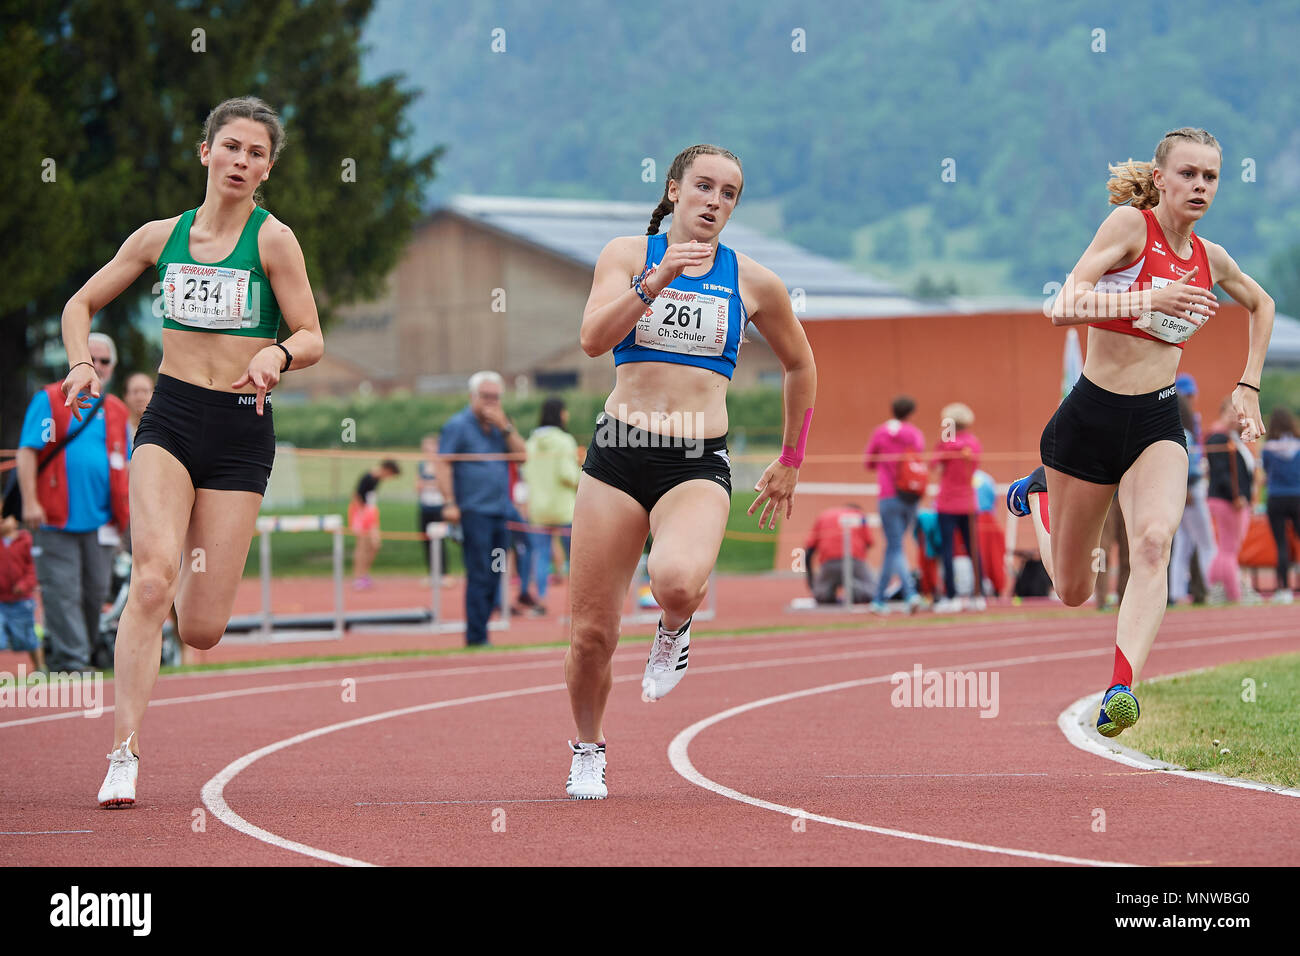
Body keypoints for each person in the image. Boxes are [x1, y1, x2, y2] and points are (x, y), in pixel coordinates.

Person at [62, 97, 323, 807]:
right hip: (172, 417)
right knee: (152, 580)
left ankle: (168, 611)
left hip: (242, 429)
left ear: (268, 169)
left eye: (256, 154)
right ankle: (123, 752)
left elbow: (312, 334)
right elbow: (80, 305)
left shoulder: (274, 242)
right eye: (231, 147)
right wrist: (82, 361)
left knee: (203, 627)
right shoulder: (158, 237)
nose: (241, 161)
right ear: (205, 152)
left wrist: (276, 354)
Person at [564, 144, 817, 799]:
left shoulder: (753, 281)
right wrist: (656, 280)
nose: (715, 201)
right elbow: (592, 338)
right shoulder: (628, 256)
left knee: (676, 582)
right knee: (592, 632)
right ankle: (588, 749)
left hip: (695, 462)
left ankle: (674, 629)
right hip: (617, 453)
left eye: (729, 193)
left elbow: (801, 365)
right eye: (704, 186)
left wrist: (791, 458)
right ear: (674, 190)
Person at [1006, 127, 1273, 738]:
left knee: (1154, 541)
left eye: (1210, 176)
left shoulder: (1212, 258)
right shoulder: (1130, 227)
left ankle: (1121, 687)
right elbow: (1062, 305)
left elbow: (1263, 305)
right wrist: (1149, 297)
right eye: (1188, 174)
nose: (1200, 185)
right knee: (1074, 589)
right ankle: (1039, 496)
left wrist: (1248, 383)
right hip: (1089, 420)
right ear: (1160, 179)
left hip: (1157, 422)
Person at [15, 332, 128, 674]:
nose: (97, 366)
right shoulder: (49, 399)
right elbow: (27, 452)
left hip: (102, 522)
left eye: (104, 361)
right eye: (89, 358)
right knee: (62, 592)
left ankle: (80, 655)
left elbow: (128, 462)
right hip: (54, 517)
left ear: (112, 367)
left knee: (94, 594)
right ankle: (72, 662)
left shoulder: (116, 410)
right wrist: (30, 502)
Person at [436, 371, 526, 647]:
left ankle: (482, 628)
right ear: (472, 397)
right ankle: (476, 636)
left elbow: (522, 456)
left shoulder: (501, 426)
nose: (491, 403)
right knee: (479, 573)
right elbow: (442, 464)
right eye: (486, 397)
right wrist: (450, 502)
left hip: (500, 510)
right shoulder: (458, 425)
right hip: (474, 511)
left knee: (497, 572)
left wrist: (506, 427)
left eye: (495, 398)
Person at [864, 396, 925, 614]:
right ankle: (882, 598)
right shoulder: (914, 434)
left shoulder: (880, 432)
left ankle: (906, 595)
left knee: (894, 546)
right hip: (909, 495)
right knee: (895, 546)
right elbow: (918, 458)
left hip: (888, 495)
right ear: (910, 412)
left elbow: (868, 462)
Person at [521, 396, 580, 615]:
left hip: (539, 508)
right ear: (560, 413)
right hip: (564, 507)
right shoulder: (564, 441)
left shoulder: (530, 442)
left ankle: (542, 600)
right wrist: (582, 477)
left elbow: (525, 472)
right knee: (575, 556)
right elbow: (567, 474)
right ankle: (579, 602)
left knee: (541, 555)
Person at [1204, 397, 1256, 604]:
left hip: (1231, 498)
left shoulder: (1231, 437)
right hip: (1227, 499)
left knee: (1226, 548)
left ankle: (1217, 588)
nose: (1235, 417)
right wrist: (1236, 495)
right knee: (1229, 548)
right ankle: (1233, 593)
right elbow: (1222, 471)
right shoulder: (1218, 438)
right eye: (1231, 412)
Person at [931, 403, 982, 613]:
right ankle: (978, 596)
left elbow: (933, 464)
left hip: (948, 503)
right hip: (969, 502)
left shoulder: (946, 442)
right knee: (973, 550)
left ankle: (951, 596)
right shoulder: (973, 443)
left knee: (947, 551)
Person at [1169, 388, 1215, 605]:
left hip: (1179, 492)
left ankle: (1176, 593)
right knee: (1206, 544)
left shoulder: (1171, 432)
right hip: (1191, 490)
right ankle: (1212, 588)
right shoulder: (1185, 434)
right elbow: (1186, 466)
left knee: (1182, 546)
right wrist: (1186, 488)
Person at [1260, 407, 1300, 602]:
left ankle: (1283, 590)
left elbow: (1266, 472)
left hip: (1276, 497)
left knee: (1281, 544)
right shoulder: (1299, 445)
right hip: (1297, 496)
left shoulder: (1268, 448)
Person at [803, 504, 875, 604]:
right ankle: (854, 587)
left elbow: (809, 551)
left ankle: (825, 592)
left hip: (829, 564)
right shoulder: (859, 515)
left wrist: (812, 583)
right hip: (854, 561)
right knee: (873, 591)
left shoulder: (824, 515)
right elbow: (868, 543)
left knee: (821, 596)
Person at [0, 513, 44, 670]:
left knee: (27, 636)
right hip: (1, 601)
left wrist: (25, 585)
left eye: (3, 518)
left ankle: (40, 666)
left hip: (21, 600)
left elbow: (32, 569)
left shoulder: (25, 541)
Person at [349, 459, 401, 590]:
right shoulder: (367, 477)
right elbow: (356, 496)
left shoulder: (377, 479)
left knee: (375, 544)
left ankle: (364, 573)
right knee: (362, 545)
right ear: (387, 470)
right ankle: (358, 577)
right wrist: (361, 514)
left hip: (371, 513)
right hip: (361, 513)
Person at [415, 434, 449, 583]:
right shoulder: (422, 465)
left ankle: (443, 573)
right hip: (425, 506)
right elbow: (418, 486)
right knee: (426, 539)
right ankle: (432, 572)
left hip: (439, 506)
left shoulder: (441, 464)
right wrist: (429, 483)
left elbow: (443, 484)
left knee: (440, 540)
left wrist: (430, 483)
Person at [1093, 494, 1130, 610]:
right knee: (1101, 554)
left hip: (1129, 500)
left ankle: (1126, 600)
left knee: (1130, 556)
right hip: (1106, 498)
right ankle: (1101, 600)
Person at [124, 372, 155, 445]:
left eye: (145, 391)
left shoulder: (162, 429)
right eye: (135, 392)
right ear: (126, 396)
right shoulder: (117, 428)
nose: (140, 397)